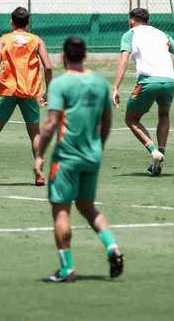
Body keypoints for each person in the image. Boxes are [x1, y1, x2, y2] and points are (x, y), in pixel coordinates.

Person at [34, 37, 123, 282]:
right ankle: (113, 248)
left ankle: (66, 269)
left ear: (64, 55)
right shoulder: (100, 83)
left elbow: (51, 123)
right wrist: (99, 147)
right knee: (87, 206)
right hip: (92, 155)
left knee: (61, 209)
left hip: (67, 158)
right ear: (86, 55)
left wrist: (39, 154)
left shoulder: (60, 84)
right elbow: (107, 121)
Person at [111, 8, 174, 176]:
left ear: (132, 20)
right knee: (164, 115)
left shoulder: (130, 34)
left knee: (131, 119)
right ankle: (160, 154)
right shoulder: (162, 34)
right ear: (147, 20)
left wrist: (115, 87)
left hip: (148, 81)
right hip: (169, 81)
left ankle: (154, 151)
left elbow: (123, 61)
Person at [0, 6, 52, 187]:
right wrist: (48, 91)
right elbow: (48, 67)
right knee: (34, 133)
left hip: (8, 91)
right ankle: (39, 173)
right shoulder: (37, 40)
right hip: (29, 92)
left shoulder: (3, 40)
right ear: (28, 22)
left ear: (11, 21)